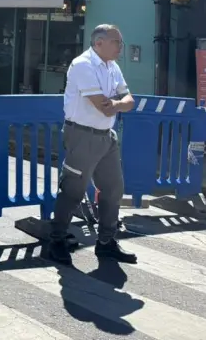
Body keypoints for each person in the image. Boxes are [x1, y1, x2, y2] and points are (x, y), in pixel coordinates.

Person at [46, 24, 137, 266]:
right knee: (73, 190)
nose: (121, 47)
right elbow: (101, 104)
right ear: (99, 43)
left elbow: (129, 100)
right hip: (82, 135)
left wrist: (116, 105)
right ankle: (57, 240)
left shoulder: (112, 66)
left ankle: (106, 242)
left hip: (106, 135)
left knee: (114, 188)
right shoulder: (83, 65)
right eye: (117, 42)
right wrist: (117, 104)